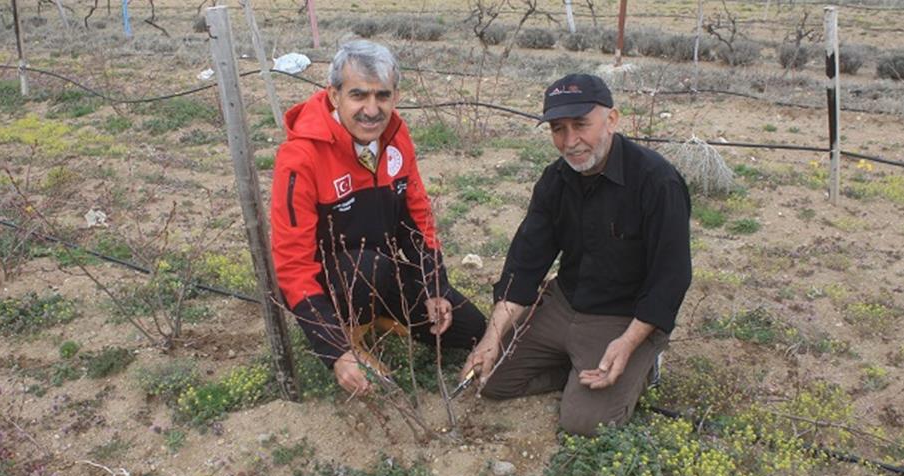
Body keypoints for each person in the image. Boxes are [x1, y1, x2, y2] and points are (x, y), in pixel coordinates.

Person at [460, 74, 692, 435]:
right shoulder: (556, 180)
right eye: (558, 129)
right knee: (488, 379)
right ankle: (574, 368)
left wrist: (630, 342)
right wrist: (491, 338)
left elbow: (671, 277)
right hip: (564, 304)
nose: (570, 142)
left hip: (621, 318)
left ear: (612, 119)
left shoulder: (657, 182)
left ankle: (644, 363)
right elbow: (525, 263)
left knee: (585, 423)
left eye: (581, 125)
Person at [271, 40, 485, 395]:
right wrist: (335, 350)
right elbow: (292, 265)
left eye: (382, 96)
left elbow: (417, 219)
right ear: (334, 95)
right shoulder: (300, 157)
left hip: (382, 273)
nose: (372, 110)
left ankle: (379, 318)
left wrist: (434, 287)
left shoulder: (397, 138)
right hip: (334, 285)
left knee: (470, 328)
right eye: (359, 96)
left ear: (396, 96)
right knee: (365, 267)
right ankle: (351, 340)